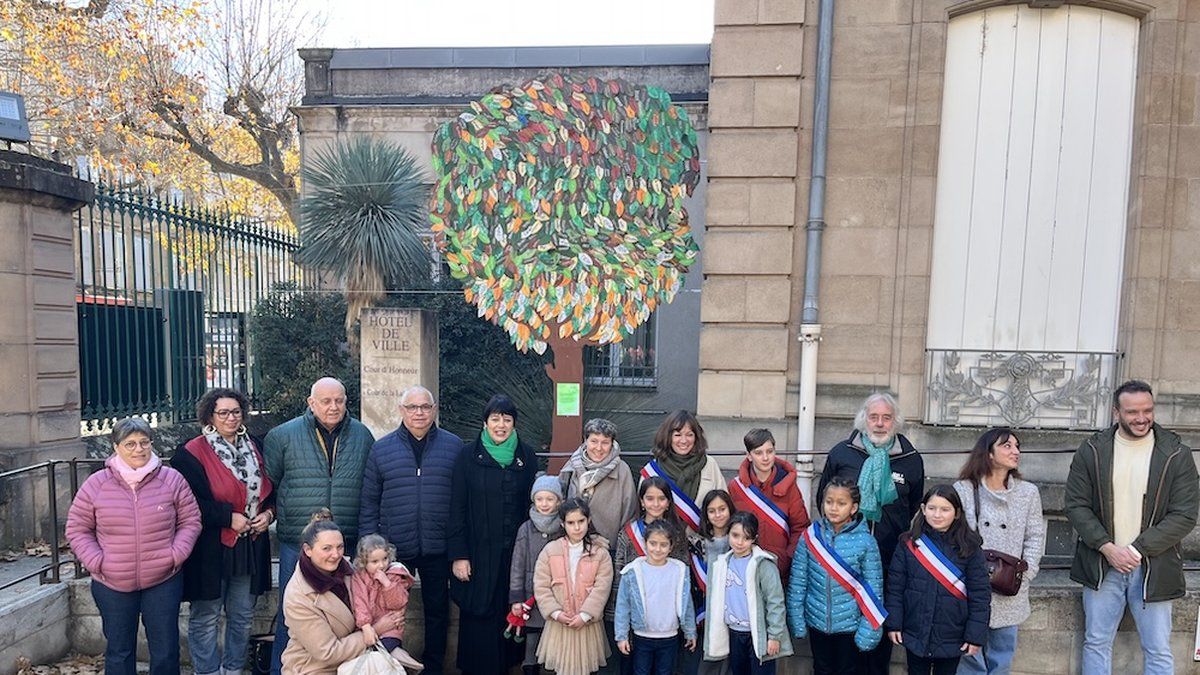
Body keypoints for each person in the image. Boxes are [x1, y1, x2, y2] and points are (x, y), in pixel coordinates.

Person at [1066, 379, 1199, 675]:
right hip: (1102, 563)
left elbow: (1185, 515)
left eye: (1148, 410)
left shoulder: (1177, 454)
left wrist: (1137, 549)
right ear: (1116, 413)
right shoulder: (1092, 450)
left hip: (1155, 565)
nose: (1142, 418)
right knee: (1097, 642)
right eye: (1132, 412)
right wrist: (1108, 548)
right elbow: (1076, 505)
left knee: (1158, 648)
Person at [66, 417, 202, 675]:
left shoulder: (172, 480)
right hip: (112, 582)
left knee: (165, 650)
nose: (138, 449)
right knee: (119, 651)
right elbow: (77, 528)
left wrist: (176, 554)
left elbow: (191, 521)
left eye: (144, 442)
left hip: (163, 579)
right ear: (116, 447)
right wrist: (98, 562)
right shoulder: (96, 484)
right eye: (130, 444)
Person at [265, 377, 375, 675]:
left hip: (345, 540)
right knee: (293, 614)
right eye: (325, 401)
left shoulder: (363, 436)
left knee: (347, 613)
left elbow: (370, 486)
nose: (333, 406)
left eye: (339, 400)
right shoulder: (282, 436)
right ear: (310, 403)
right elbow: (270, 485)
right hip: (298, 541)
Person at [359, 385, 462, 674]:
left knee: (438, 611)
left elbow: (462, 500)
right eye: (413, 407)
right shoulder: (382, 449)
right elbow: (369, 500)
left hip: (437, 545)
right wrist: (369, 549)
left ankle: (433, 667)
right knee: (388, 610)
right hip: (394, 548)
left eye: (425, 407)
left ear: (434, 410)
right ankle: (388, 665)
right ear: (401, 410)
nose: (419, 413)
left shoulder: (453, 446)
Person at [818, 392, 924, 675]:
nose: (879, 423)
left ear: (895, 422)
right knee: (846, 636)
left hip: (888, 561)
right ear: (864, 419)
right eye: (873, 417)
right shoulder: (842, 453)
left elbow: (914, 506)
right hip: (844, 563)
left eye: (886, 418)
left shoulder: (911, 459)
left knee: (877, 637)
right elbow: (823, 500)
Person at [174, 389, 275, 675]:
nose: (231, 418)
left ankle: (232, 669)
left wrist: (268, 514)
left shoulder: (256, 446)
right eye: (224, 413)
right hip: (210, 547)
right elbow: (187, 502)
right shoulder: (190, 453)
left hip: (250, 544)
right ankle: (206, 671)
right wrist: (227, 518)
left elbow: (271, 491)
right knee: (206, 615)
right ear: (210, 416)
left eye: (236, 412)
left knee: (242, 615)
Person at [447, 394, 538, 675]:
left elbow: (530, 506)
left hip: (513, 555)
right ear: (485, 422)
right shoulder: (467, 456)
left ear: (514, 424)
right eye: (495, 419)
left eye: (507, 420)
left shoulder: (526, 456)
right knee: (478, 615)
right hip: (476, 552)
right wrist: (459, 555)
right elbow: (457, 507)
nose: (501, 425)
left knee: (508, 611)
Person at [952, 428, 1045, 675]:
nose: (1015, 451)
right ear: (989, 453)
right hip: (970, 586)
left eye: (1017, 446)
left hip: (1010, 588)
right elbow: (951, 535)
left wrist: (1028, 573)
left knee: (1002, 658)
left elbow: (1035, 535)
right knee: (970, 658)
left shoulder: (1028, 493)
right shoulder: (963, 490)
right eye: (1007, 446)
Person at [884, 485, 990, 675]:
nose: (937, 514)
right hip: (915, 629)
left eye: (945, 509)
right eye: (932, 508)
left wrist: (974, 636)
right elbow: (895, 588)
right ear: (923, 509)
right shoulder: (908, 543)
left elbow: (980, 595)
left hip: (952, 634)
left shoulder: (970, 547)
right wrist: (894, 623)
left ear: (957, 513)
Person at [281, 511, 399, 675]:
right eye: (327, 548)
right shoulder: (298, 595)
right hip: (314, 668)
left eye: (340, 547)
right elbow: (328, 652)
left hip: (355, 660)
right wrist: (376, 629)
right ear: (308, 550)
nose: (336, 555)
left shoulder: (350, 571)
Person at [787, 477, 884, 675]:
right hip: (817, 622)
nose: (833, 508)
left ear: (854, 507)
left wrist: (868, 630)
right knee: (821, 669)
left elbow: (874, 589)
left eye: (841, 503)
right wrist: (796, 619)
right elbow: (798, 581)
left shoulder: (866, 542)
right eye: (829, 502)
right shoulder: (810, 536)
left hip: (850, 626)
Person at [703, 512, 792, 675]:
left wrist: (774, 635)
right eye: (735, 535)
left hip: (759, 633)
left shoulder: (763, 564)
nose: (740, 542)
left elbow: (775, 601)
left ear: (754, 538)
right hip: (735, 632)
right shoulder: (721, 563)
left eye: (746, 537)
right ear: (728, 533)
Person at [535, 498, 615, 675]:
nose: (577, 527)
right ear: (563, 524)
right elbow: (541, 585)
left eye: (581, 521)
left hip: (586, 624)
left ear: (589, 521)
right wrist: (555, 612)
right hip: (559, 623)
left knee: (586, 668)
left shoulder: (599, 553)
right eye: (571, 523)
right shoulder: (550, 550)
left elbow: (602, 586)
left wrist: (585, 615)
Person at [615, 520, 697, 675]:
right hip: (642, 636)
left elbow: (687, 604)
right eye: (653, 543)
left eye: (663, 545)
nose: (657, 549)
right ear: (645, 543)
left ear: (671, 546)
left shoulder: (679, 570)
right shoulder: (633, 571)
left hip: (669, 636)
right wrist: (622, 636)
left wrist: (690, 631)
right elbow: (623, 606)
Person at [728, 429, 809, 580]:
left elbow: (800, 527)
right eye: (758, 453)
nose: (765, 458)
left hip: (779, 569)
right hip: (743, 568)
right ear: (748, 456)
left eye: (769, 451)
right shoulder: (736, 487)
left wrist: (787, 558)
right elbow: (730, 526)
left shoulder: (789, 486)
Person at [510, 475, 566, 675]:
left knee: (554, 642)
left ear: (559, 501)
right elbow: (517, 565)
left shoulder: (563, 527)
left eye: (550, 499)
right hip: (530, 596)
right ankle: (530, 668)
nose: (544, 504)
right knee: (532, 641)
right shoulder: (526, 528)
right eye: (540, 499)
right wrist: (516, 598)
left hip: (557, 594)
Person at [559, 417, 638, 546]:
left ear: (612, 443)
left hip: (608, 545)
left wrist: (620, 545)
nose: (599, 448)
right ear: (585, 441)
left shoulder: (622, 470)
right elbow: (561, 501)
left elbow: (629, 512)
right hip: (575, 543)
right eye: (594, 441)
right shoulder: (572, 466)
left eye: (605, 442)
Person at [644, 411, 725, 530]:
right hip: (660, 543)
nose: (684, 440)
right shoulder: (653, 469)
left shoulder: (709, 464)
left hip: (701, 541)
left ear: (696, 437)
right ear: (668, 437)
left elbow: (723, 504)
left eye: (689, 434)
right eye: (677, 435)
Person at [350, 534, 422, 670]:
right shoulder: (359, 578)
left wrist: (387, 584)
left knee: (388, 647)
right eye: (374, 561)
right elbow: (359, 602)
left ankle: (402, 659)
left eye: (384, 559)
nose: (381, 565)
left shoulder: (394, 574)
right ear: (364, 562)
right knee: (374, 656)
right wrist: (365, 625)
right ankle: (401, 659)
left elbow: (399, 602)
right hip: (368, 627)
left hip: (391, 627)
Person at [691, 490, 737, 675]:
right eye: (712, 511)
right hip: (705, 611)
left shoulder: (739, 541)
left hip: (732, 611)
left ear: (730, 509)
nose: (717, 515)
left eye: (722, 509)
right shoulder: (696, 542)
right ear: (706, 515)